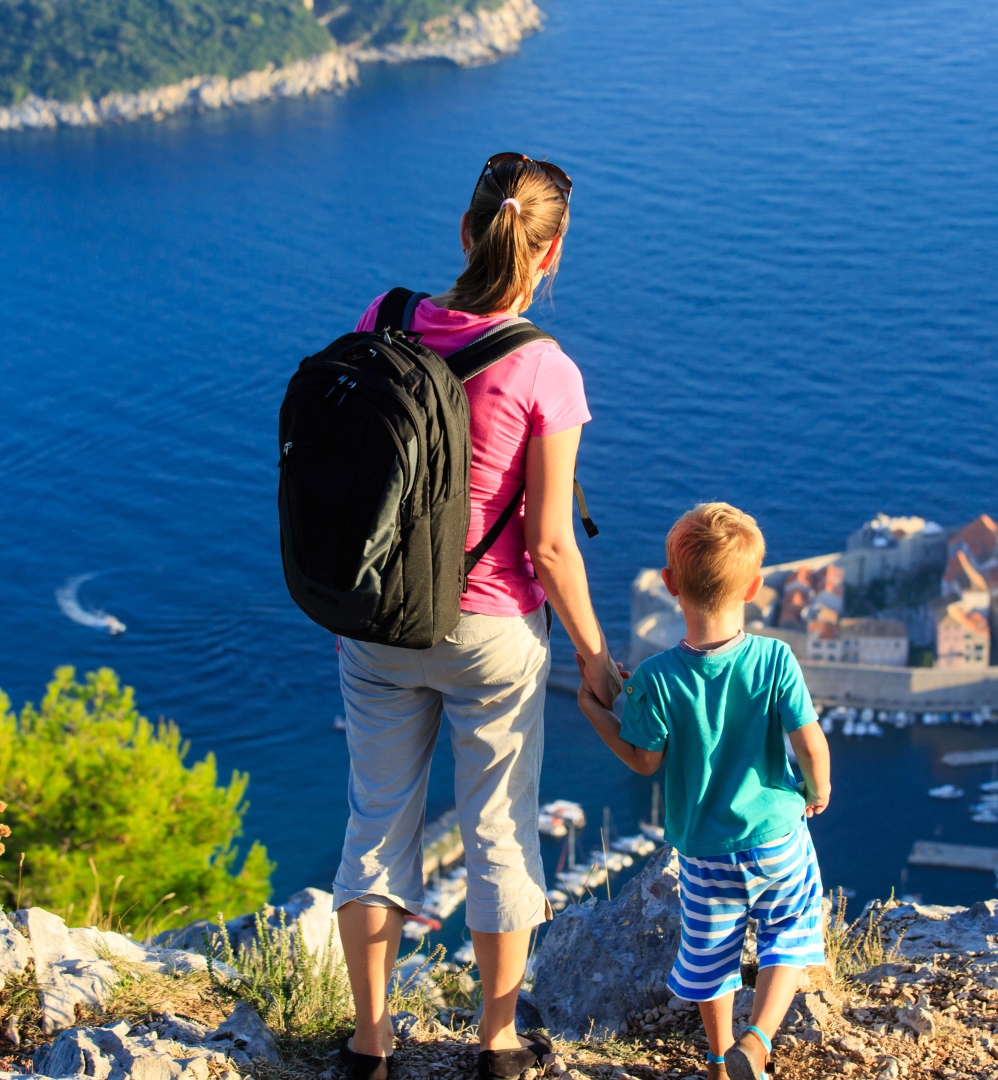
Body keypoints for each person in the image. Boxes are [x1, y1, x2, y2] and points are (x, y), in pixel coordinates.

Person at [332, 153, 623, 1080]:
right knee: (500, 831)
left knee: (376, 828)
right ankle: (496, 1045)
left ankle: (369, 1046)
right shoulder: (547, 369)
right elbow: (549, 546)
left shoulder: (381, 320)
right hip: (492, 633)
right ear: (552, 254)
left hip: (376, 620)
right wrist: (594, 655)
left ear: (465, 231)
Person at [574, 503, 832, 1080]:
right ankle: (759, 1040)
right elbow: (811, 744)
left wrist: (595, 709)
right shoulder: (774, 658)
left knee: (711, 958)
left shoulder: (655, 677)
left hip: (705, 852)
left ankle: (718, 1062)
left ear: (669, 585)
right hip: (777, 837)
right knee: (790, 934)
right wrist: (819, 789)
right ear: (755, 587)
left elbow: (644, 761)